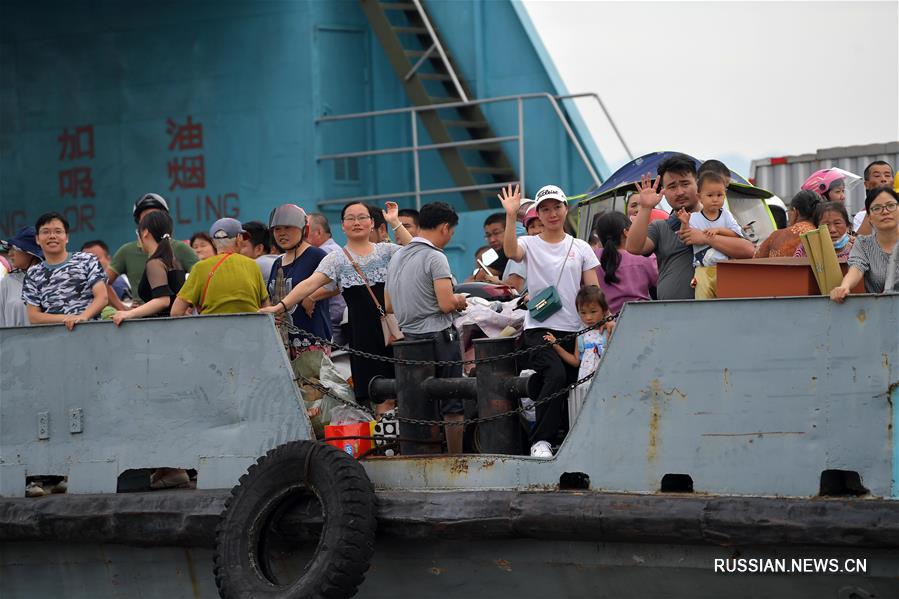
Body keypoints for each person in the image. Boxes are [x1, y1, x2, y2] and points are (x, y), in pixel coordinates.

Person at [260, 202, 412, 414]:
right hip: (362, 336)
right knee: (377, 398)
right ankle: (385, 445)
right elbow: (309, 284)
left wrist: (395, 221)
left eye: (362, 217)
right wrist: (281, 306)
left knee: (407, 395)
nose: (356, 222)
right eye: (350, 218)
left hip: (395, 334)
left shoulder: (386, 252)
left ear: (371, 223)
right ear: (342, 226)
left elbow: (416, 250)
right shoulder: (337, 258)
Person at [499, 183, 601, 459]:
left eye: (557, 207)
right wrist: (510, 215)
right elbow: (510, 251)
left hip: (574, 328)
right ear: (538, 215)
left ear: (566, 209)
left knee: (568, 382)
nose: (552, 213)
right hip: (539, 326)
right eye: (545, 209)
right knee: (554, 374)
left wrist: (599, 323)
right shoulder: (529, 244)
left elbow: (593, 292)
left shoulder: (580, 247)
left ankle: (565, 439)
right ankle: (540, 441)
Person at [385, 201, 469, 453]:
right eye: (452, 231)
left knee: (420, 406)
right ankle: (455, 458)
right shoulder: (436, 257)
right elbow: (445, 303)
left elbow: (389, 304)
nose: (450, 236)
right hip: (439, 338)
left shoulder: (397, 255)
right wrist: (460, 300)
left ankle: (424, 456)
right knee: (452, 404)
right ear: (445, 227)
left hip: (409, 341)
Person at [626, 154, 754, 299]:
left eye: (685, 184)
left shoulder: (721, 218)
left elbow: (748, 250)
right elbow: (634, 247)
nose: (680, 192)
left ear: (698, 185)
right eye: (672, 186)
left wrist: (706, 238)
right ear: (664, 191)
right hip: (671, 316)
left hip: (717, 313)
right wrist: (645, 207)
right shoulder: (660, 227)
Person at [108, 193, 197, 310]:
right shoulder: (126, 251)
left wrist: (187, 305)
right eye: (146, 217)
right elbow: (102, 282)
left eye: (155, 215)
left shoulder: (178, 249)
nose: (150, 220)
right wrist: (122, 307)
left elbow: (200, 277)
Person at [265, 204, 333, 358]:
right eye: (277, 229)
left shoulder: (316, 255)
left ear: (304, 229)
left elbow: (338, 284)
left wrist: (312, 295)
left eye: (288, 227)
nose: (282, 234)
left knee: (313, 382)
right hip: (282, 342)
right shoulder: (277, 262)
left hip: (312, 341)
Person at [23, 212, 108, 330]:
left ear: (67, 237)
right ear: (37, 239)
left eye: (58, 231)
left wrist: (83, 318)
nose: (52, 236)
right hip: (53, 339)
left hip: (92, 333)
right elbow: (33, 316)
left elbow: (102, 297)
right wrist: (67, 318)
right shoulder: (33, 273)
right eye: (46, 232)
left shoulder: (87, 260)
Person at [172, 218, 269, 315]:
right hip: (250, 328)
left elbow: (176, 312)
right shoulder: (252, 265)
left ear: (213, 242)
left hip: (211, 328)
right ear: (239, 239)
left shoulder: (200, 268)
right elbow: (266, 307)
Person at [542, 285, 609, 427]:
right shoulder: (581, 335)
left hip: (606, 381)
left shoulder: (609, 331)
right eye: (583, 313)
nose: (588, 317)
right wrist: (556, 345)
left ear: (604, 311)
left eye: (593, 311)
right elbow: (575, 361)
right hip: (585, 384)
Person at [111, 211, 185, 325]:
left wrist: (129, 313)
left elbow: (163, 301)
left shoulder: (155, 263)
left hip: (161, 328)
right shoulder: (174, 261)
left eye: (138, 232)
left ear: (145, 232)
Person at [679, 171, 744, 299]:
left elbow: (737, 234)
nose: (715, 199)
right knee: (703, 298)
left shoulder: (726, 215)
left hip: (725, 268)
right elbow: (686, 237)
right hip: (702, 269)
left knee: (728, 298)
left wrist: (719, 230)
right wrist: (684, 223)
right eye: (710, 195)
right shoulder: (694, 218)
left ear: (724, 196)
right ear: (699, 197)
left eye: (719, 195)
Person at [831, 187, 899, 301]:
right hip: (879, 312)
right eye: (877, 208)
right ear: (869, 217)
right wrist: (844, 286)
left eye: (891, 205)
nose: (885, 211)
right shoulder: (863, 243)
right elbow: (856, 268)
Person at [594, 211, 657, 314]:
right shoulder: (644, 256)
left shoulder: (592, 257)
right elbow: (659, 281)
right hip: (641, 317)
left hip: (605, 322)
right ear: (626, 232)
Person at [307, 212, 349, 345]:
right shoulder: (335, 249)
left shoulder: (323, 253)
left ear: (318, 232)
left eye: (304, 232)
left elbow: (337, 285)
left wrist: (309, 297)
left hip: (330, 322)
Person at [754, 190, 821, 258]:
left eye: (789, 211)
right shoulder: (823, 234)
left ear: (795, 211)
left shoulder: (776, 236)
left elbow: (756, 259)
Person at [0, 227, 43, 327]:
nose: (10, 254)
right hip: (12, 341)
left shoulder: (50, 277)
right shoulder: (6, 282)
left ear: (30, 254)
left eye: (15, 249)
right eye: (9, 249)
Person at [854, 161, 894, 235]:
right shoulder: (861, 216)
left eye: (887, 175)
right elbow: (861, 242)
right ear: (866, 184)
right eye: (877, 176)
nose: (883, 179)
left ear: (893, 182)